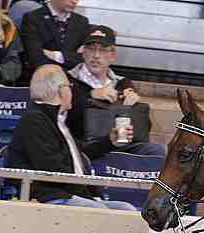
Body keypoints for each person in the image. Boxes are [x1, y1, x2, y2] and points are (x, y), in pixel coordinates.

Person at [6, 64, 136, 210]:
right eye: (69, 86)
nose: (71, 91)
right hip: (50, 196)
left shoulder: (57, 120)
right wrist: (84, 189)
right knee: (100, 212)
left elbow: (81, 153)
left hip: (75, 194)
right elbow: (51, 168)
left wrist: (110, 141)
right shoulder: (35, 120)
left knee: (127, 209)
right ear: (62, 90)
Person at [65, 25, 164, 157]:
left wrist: (131, 108)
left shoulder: (123, 83)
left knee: (157, 151)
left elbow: (144, 128)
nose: (96, 56)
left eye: (103, 50)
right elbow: (62, 119)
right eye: (91, 49)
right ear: (83, 52)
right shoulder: (68, 80)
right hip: (85, 146)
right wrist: (90, 96)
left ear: (113, 56)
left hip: (121, 144)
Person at [19, 0, 87, 81]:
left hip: (72, 82)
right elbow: (35, 57)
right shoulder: (32, 18)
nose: (74, 1)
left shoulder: (82, 21)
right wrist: (69, 59)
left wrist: (56, 55)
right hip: (39, 80)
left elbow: (83, 58)